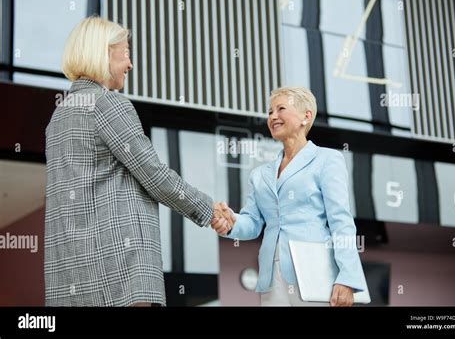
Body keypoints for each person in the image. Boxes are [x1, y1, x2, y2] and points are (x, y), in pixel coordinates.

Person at [44, 17, 233, 307]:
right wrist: (207, 209)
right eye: (127, 53)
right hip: (121, 271)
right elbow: (154, 175)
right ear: (105, 52)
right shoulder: (108, 104)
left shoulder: (57, 119)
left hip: (70, 273)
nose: (130, 65)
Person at [212, 87, 367, 306]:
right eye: (269, 112)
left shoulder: (327, 160)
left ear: (306, 116)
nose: (273, 116)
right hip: (271, 276)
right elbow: (253, 223)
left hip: (316, 272)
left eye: (281, 109)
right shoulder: (259, 175)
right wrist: (230, 222)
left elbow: (341, 221)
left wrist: (348, 277)